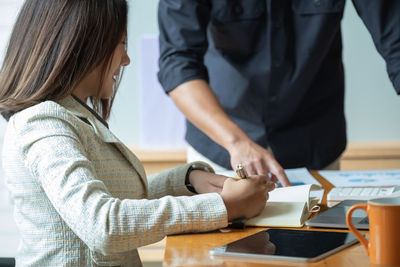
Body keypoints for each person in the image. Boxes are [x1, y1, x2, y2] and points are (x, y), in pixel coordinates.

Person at [0, 1, 275, 266]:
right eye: (121, 45)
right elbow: (103, 225)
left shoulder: (73, 116)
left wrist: (189, 182)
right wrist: (223, 207)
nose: (126, 59)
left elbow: (118, 196)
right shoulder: (44, 124)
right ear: (83, 44)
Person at [157, 0, 400, 186]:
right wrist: (237, 142)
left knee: (322, 249)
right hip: (222, 149)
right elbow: (177, 64)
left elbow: (396, 41)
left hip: (315, 146)